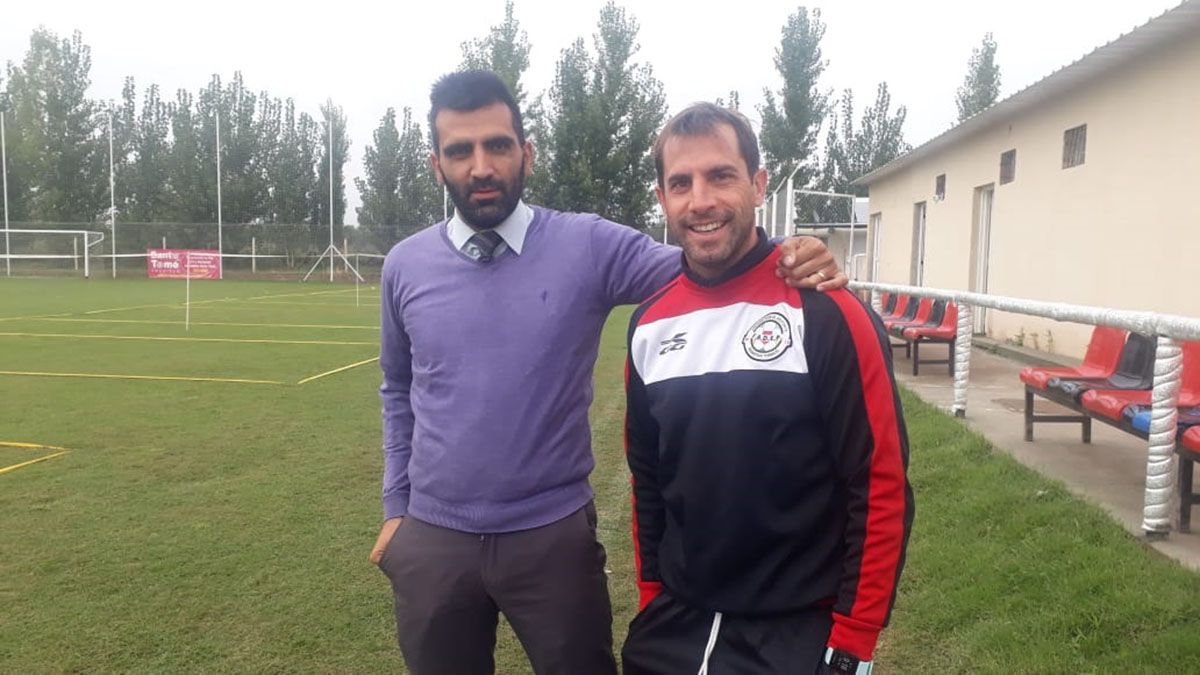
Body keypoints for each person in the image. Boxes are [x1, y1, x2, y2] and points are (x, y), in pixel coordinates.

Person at [370, 71, 847, 675]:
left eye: (498, 145)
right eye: (460, 151)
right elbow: (398, 387)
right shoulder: (404, 265)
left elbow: (711, 252)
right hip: (434, 540)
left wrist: (790, 253)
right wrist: (396, 510)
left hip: (552, 538)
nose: (481, 166)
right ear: (437, 164)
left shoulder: (586, 246)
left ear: (526, 153)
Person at [622, 102, 914, 675]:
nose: (700, 200)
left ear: (758, 184)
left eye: (720, 176)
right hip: (673, 628)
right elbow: (648, 482)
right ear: (662, 199)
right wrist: (652, 595)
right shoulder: (648, 324)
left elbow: (880, 484)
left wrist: (853, 639)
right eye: (680, 183)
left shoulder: (829, 311)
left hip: (795, 635)